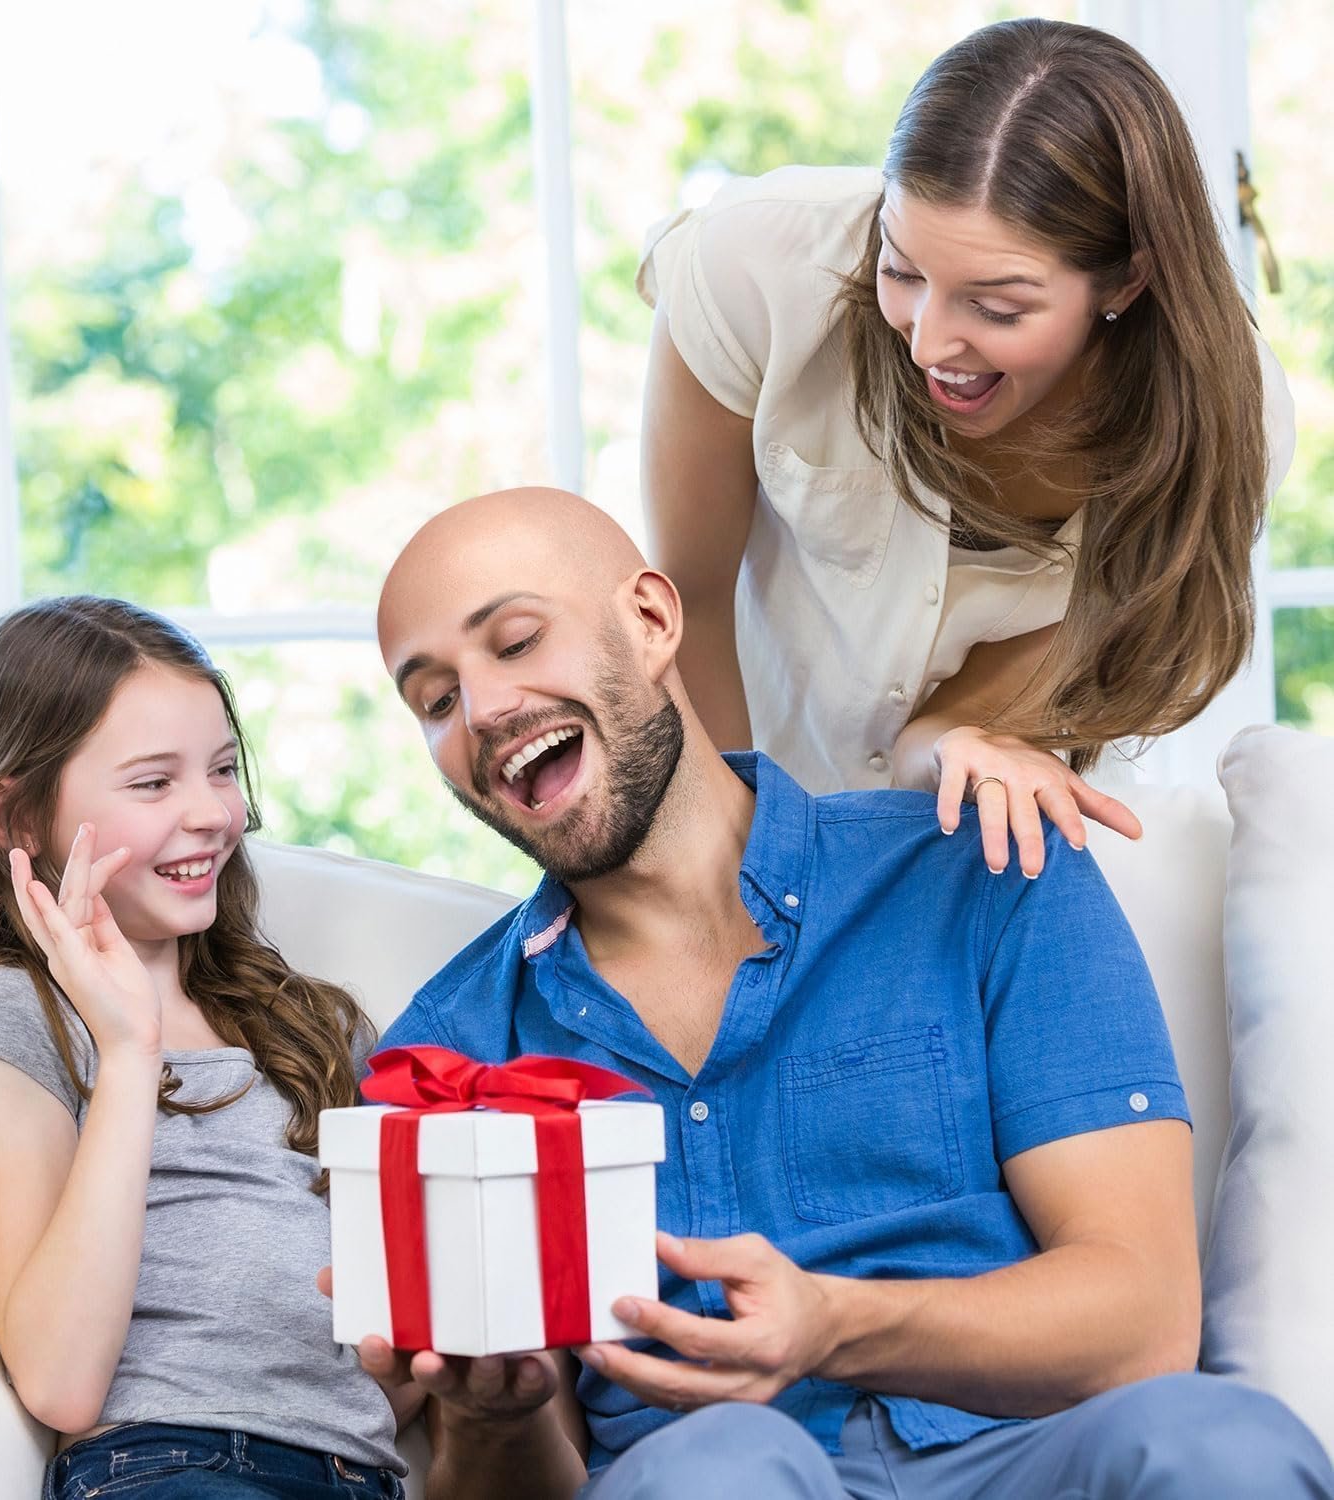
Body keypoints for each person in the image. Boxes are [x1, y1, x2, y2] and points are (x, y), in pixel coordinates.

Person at [352, 487, 1334, 1500]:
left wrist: (834, 1324)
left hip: (1021, 1462)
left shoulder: (982, 865)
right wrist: (495, 1414)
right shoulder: (446, 1057)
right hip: (706, 1481)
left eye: (516, 642)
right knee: (726, 1465)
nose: (483, 710)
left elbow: (1144, 1321)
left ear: (650, 620)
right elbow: (523, 1481)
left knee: (1221, 1442)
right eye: (435, 701)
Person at [636, 17, 1297, 878]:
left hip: (966, 848)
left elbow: (947, 736)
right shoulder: (754, 265)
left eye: (996, 307)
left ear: (1128, 280)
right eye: (901, 271)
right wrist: (735, 870)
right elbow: (688, 604)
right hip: (742, 804)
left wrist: (967, 751)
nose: (927, 343)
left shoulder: (1218, 429)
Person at [0, 596, 416, 1500]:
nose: (212, 812)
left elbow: (381, 1369)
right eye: (152, 784)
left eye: (222, 769)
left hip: (357, 1476)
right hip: (168, 1466)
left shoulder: (310, 1026)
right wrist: (130, 1051)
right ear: (13, 817)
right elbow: (61, 1381)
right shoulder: (14, 1011)